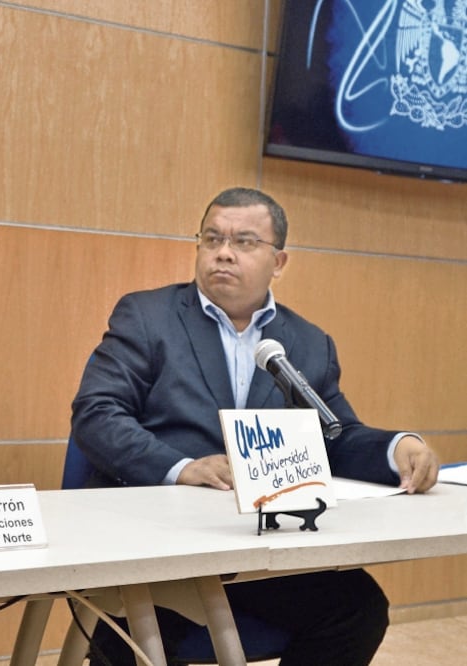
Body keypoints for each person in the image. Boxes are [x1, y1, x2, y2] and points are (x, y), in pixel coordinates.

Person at [71, 187, 440, 666]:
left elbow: (336, 433)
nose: (223, 252)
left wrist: (398, 447)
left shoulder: (306, 343)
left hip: (252, 542)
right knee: (140, 632)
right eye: (211, 239)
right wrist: (181, 468)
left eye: (244, 242)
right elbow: (97, 413)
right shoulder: (147, 317)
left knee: (358, 608)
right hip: (158, 537)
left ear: (279, 262)